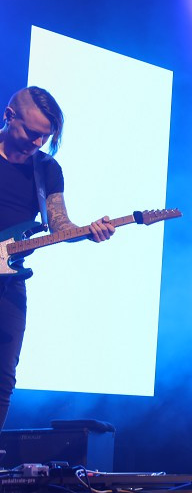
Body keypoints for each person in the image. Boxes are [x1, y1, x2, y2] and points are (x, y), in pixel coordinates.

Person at [0, 86, 115, 431]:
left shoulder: (47, 169)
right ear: (9, 116)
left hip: (9, 282)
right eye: (32, 133)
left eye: (44, 137)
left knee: (3, 378)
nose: (37, 143)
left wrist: (88, 231)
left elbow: (59, 224)